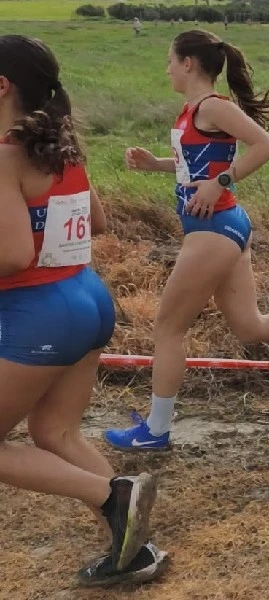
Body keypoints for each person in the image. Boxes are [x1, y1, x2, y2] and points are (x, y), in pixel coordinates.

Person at [103, 30, 269, 452]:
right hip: (224, 226)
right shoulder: (192, 110)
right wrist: (155, 164)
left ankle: (156, 432)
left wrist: (221, 183)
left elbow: (267, 145)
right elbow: (196, 165)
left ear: (188, 64)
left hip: (214, 228)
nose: (167, 68)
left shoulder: (212, 106)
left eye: (170, 60)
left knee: (167, 329)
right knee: (251, 326)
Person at [0, 34, 167, 586]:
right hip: (88, 298)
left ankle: (113, 496)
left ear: (2, 86)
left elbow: (12, 254)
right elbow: (95, 221)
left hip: (40, 313)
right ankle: (133, 549)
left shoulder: (4, 156)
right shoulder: (61, 148)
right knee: (57, 432)